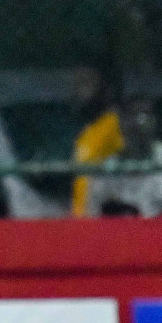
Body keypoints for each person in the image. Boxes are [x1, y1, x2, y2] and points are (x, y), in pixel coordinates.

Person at [87, 97, 162, 218]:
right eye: (130, 115)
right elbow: (93, 218)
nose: (136, 123)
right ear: (122, 126)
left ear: (154, 121)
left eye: (144, 114)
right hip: (120, 234)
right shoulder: (107, 169)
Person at [70, 64, 123, 217]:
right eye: (77, 84)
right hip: (82, 220)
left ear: (105, 87)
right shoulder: (87, 131)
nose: (79, 90)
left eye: (86, 83)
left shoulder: (116, 124)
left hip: (105, 221)